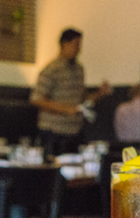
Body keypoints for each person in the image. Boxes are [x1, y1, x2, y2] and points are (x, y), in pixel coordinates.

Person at [31, 28, 111, 157]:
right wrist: (66, 110)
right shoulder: (51, 70)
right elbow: (37, 99)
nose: (78, 50)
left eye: (79, 46)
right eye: (75, 45)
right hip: (53, 131)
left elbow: (82, 99)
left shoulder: (79, 69)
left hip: (74, 132)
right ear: (64, 44)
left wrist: (99, 94)